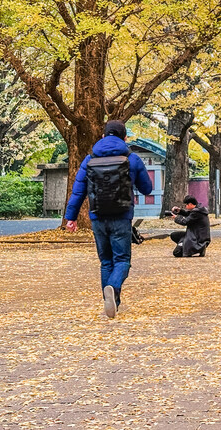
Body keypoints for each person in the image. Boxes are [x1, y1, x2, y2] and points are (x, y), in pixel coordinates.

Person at [64, 120, 153, 318]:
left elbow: (78, 192)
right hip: (122, 216)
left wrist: (71, 218)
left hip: (97, 216)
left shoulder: (89, 159)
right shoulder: (132, 158)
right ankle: (113, 288)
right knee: (122, 260)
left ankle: (110, 305)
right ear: (125, 138)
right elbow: (147, 188)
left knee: (106, 261)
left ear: (103, 136)